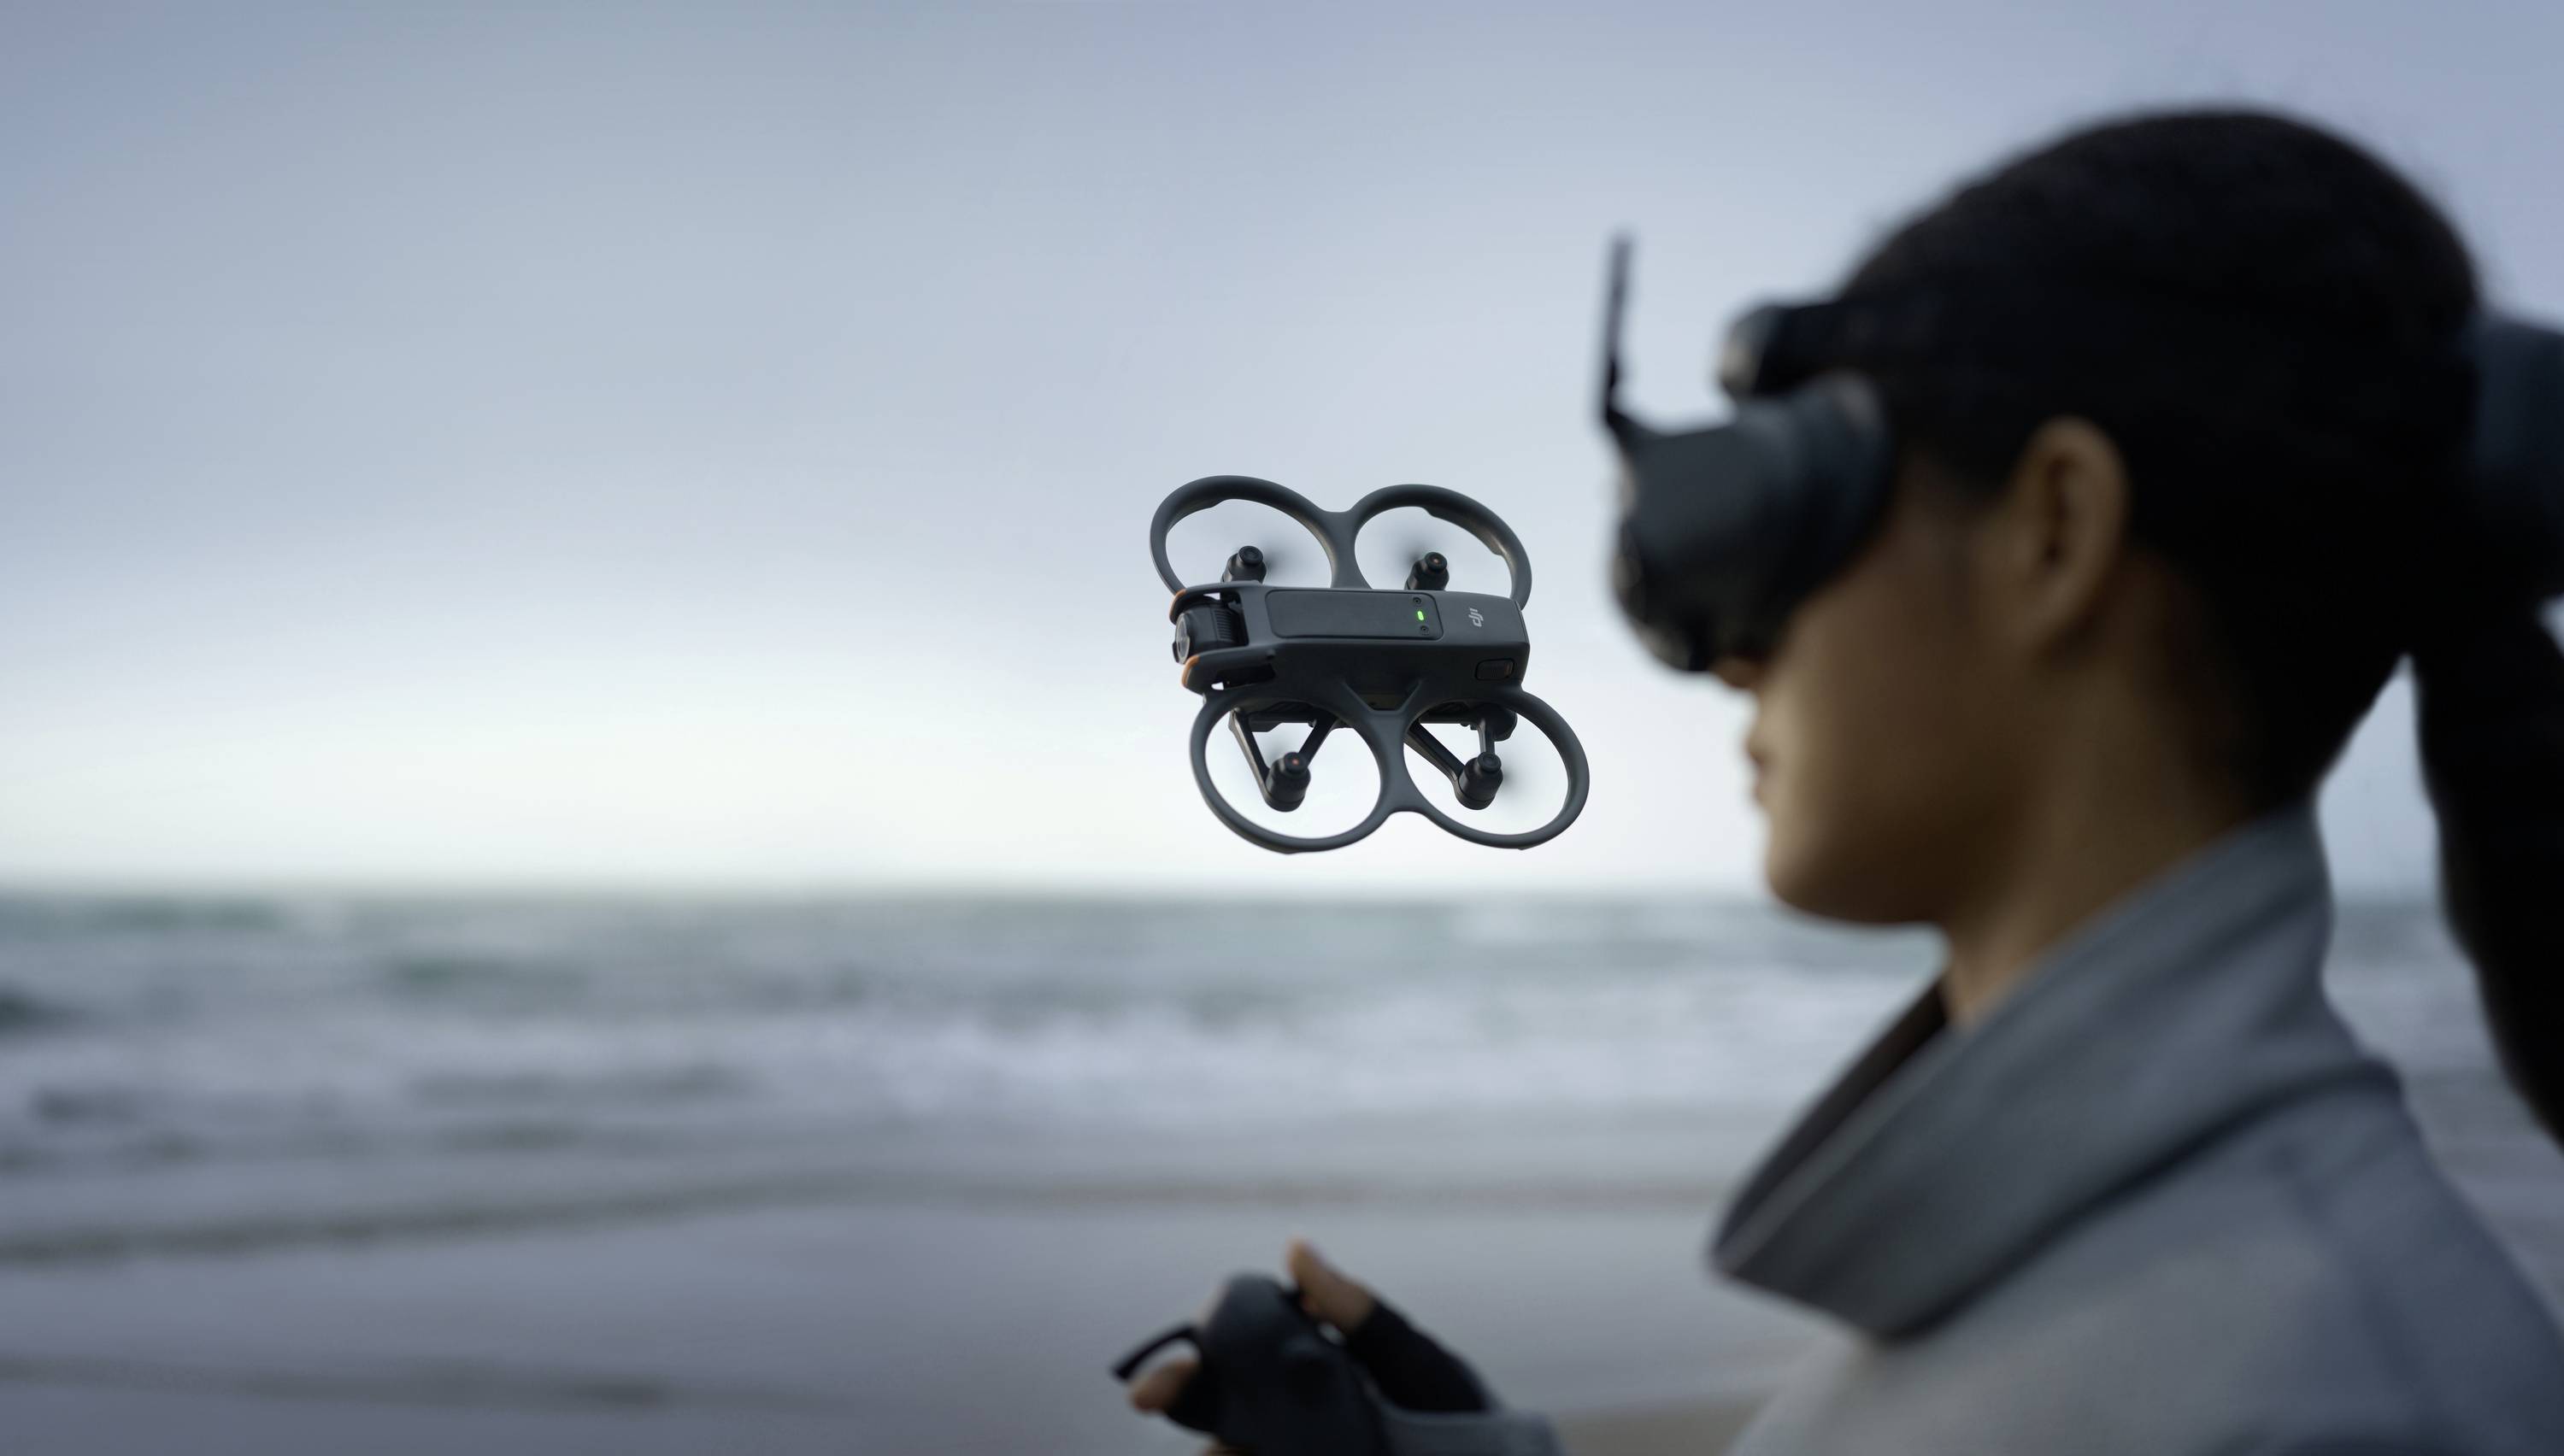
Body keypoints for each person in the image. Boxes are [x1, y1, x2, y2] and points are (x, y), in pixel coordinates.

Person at [1126, 106, 2564, 1454]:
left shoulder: (2336, 1402)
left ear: (2054, 534)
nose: (1737, 655)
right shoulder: (2083, 1276)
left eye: (1801, 510)